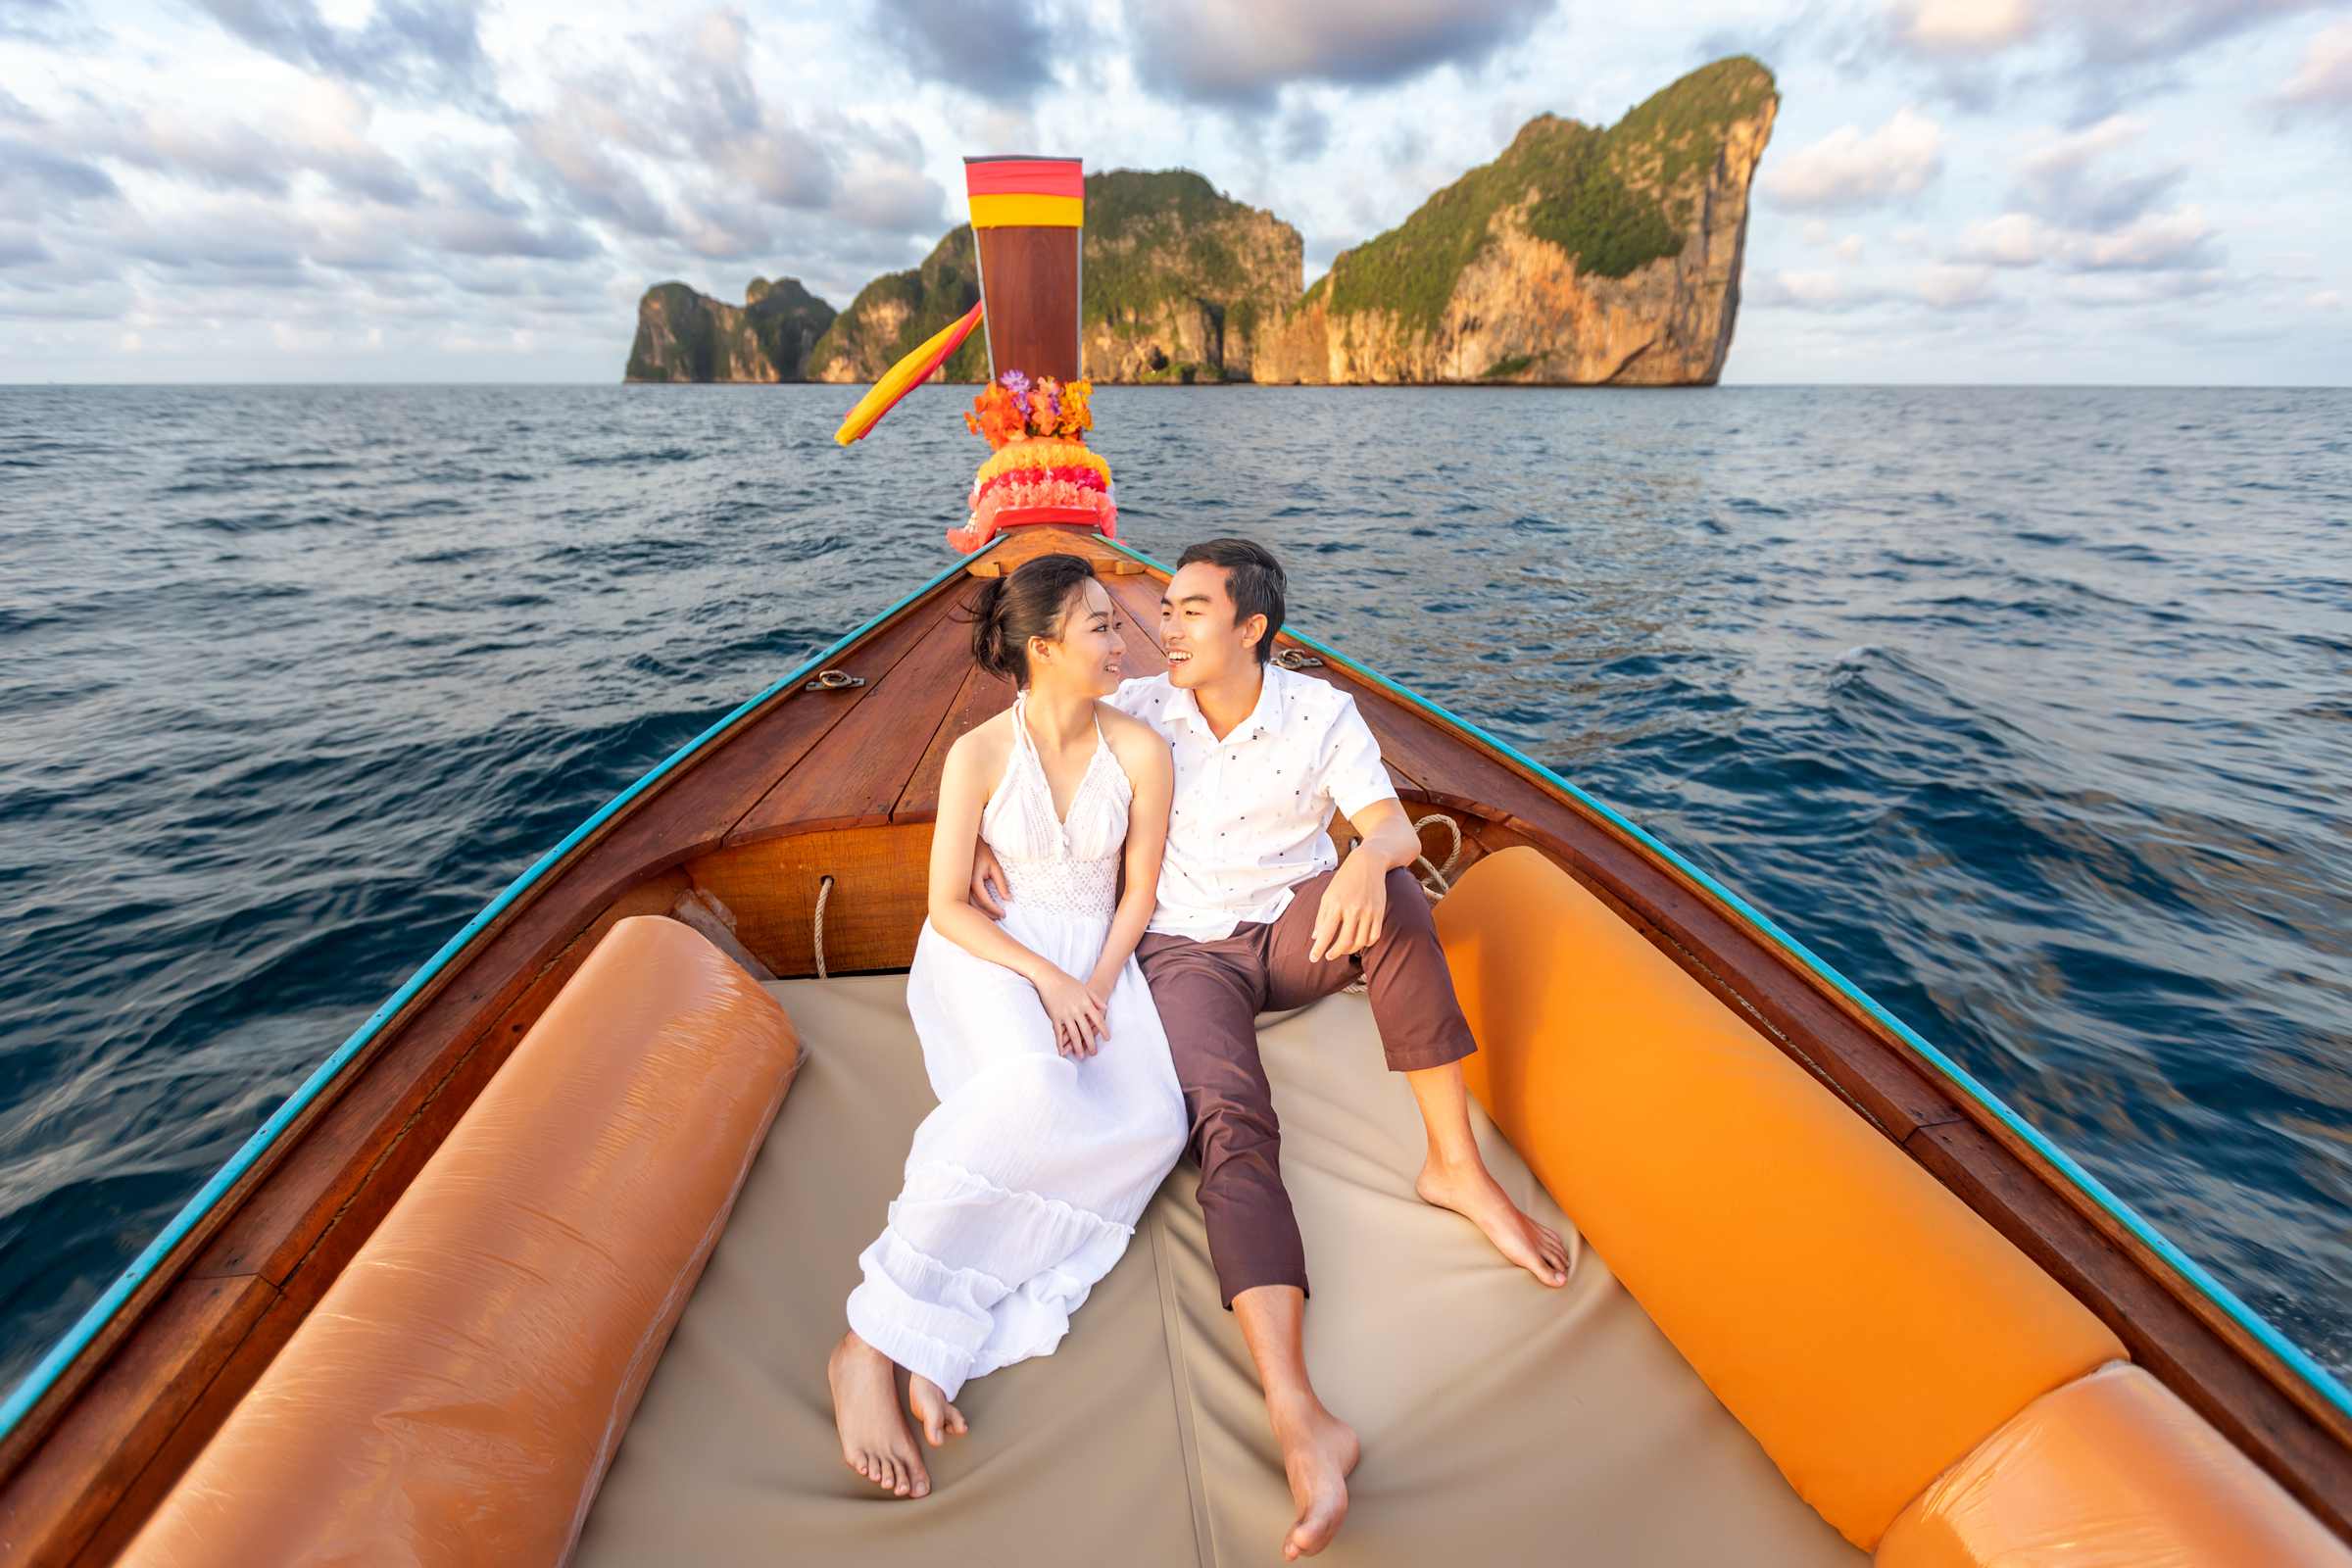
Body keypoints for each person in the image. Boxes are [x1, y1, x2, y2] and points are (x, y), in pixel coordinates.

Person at [973, 538, 1572, 1560]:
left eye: (1190, 611)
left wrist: (1368, 861)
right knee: (1232, 1123)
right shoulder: (1141, 705)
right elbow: (1032, 732)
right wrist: (987, 829)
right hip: (1183, 953)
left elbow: (1391, 829)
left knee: (1396, 897)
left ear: (1252, 628)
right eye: (1165, 608)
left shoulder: (1319, 713)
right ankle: (1299, 1414)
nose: (1164, 627)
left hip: (1297, 934)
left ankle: (1455, 1169)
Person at [829, 553, 1185, 1500]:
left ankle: (942, 1325)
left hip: (1097, 959)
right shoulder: (978, 754)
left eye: (1117, 622)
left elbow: (1138, 892)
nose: (1124, 639)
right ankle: (868, 1343)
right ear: (1043, 648)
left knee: (1155, 1122)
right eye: (1102, 625)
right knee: (1032, 1088)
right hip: (990, 952)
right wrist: (1047, 981)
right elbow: (948, 905)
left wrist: (1095, 984)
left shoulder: (1141, 750)